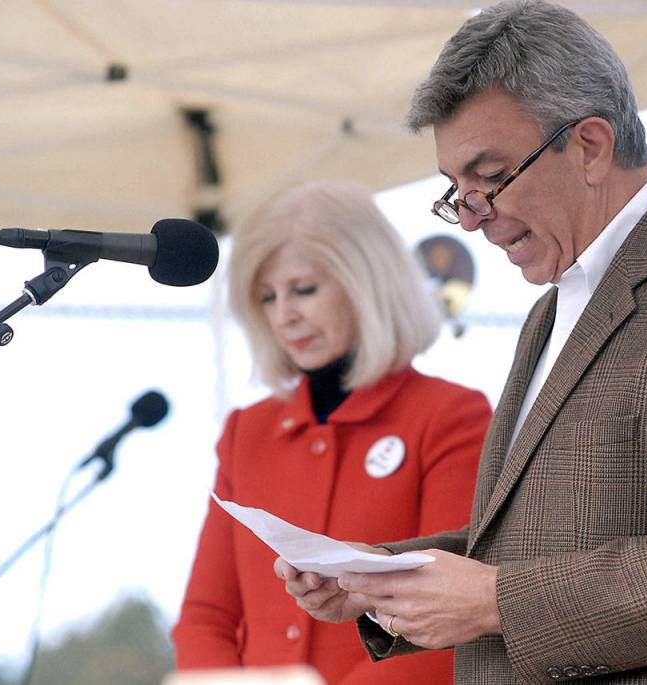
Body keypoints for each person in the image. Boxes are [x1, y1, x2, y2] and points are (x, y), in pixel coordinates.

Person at [277, 2, 647, 683]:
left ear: (590, 146)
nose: (474, 217)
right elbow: (537, 543)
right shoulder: (556, 306)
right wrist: (381, 577)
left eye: (491, 177)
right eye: (456, 190)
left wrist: (493, 601)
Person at [172, 180, 492, 684]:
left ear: (366, 282)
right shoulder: (246, 431)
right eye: (267, 297)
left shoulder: (451, 416)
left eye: (303, 289)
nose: (285, 315)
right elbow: (205, 617)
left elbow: (451, 622)